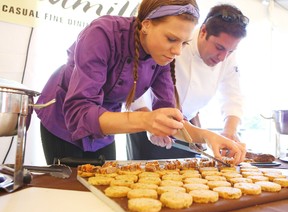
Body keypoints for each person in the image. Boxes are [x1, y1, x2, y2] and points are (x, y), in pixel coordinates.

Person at [35, 0, 246, 166]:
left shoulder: (162, 55)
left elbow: (170, 116)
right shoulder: (102, 34)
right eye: (172, 39)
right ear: (146, 25)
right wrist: (146, 120)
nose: (178, 51)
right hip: (62, 120)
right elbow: (80, 113)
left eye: (183, 42)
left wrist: (208, 137)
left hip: (105, 128)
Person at [126, 4, 248, 160]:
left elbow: (233, 96)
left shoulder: (227, 56)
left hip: (186, 127)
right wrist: (148, 119)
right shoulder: (178, 41)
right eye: (219, 47)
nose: (223, 57)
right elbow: (140, 81)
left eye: (230, 51)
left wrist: (229, 131)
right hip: (148, 122)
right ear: (203, 31)